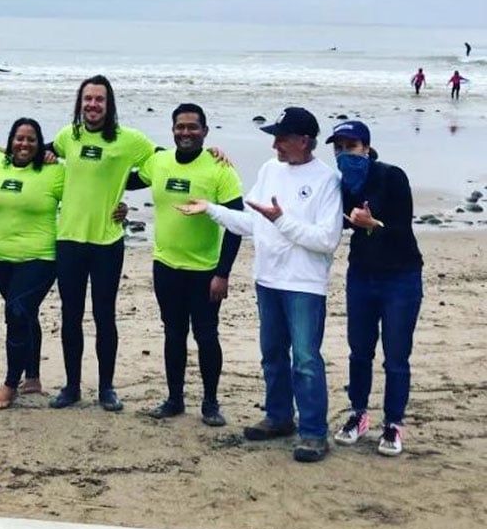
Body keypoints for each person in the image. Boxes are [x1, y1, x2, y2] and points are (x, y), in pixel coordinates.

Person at [176, 107, 342, 462]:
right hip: (268, 279)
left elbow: (326, 239)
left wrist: (281, 220)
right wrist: (211, 209)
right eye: (274, 137)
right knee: (272, 355)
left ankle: (314, 432)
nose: (275, 145)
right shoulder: (269, 171)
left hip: (304, 284)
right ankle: (279, 416)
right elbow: (252, 222)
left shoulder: (326, 180)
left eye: (282, 138)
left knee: (307, 360)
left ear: (305, 141)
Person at [127, 104, 244, 426]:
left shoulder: (220, 169)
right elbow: (122, 180)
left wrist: (223, 273)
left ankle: (210, 403)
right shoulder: (159, 161)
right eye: (180, 127)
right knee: (173, 333)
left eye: (193, 127)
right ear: (172, 130)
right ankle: (174, 399)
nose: (186, 132)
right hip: (165, 265)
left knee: (206, 335)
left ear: (205, 131)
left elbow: (237, 224)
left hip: (204, 270)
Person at [48, 75, 156, 412]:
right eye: (87, 99)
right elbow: (43, 152)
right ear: (80, 103)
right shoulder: (69, 136)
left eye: (99, 100)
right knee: (70, 315)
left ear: (109, 105)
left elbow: (159, 165)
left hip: (107, 242)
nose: (92, 105)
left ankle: (107, 388)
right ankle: (72, 386)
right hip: (69, 239)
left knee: (105, 316)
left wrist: (124, 189)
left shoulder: (129, 140)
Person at [325, 121, 423, 457]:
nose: (344, 154)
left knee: (396, 356)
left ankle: (393, 423)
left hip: (401, 276)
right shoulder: (343, 185)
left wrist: (373, 224)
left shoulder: (391, 176)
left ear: (366, 148)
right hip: (362, 275)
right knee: (359, 350)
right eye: (338, 148)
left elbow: (402, 227)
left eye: (350, 147)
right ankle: (358, 414)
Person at [0, 118, 63, 409]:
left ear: (40, 144)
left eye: (31, 139)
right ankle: (33, 377)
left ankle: (9, 385)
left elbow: (85, 198)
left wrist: (119, 206)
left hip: (40, 257)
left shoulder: (55, 172)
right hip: (2, 258)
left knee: (16, 313)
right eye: (19, 138)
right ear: (10, 141)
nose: (24, 144)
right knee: (26, 314)